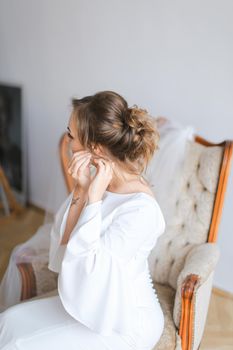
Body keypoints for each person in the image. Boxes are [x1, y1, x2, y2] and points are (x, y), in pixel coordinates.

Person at [0, 90, 167, 350]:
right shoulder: (97, 182)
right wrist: (81, 191)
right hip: (89, 300)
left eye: (71, 135)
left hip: (124, 319)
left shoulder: (141, 211)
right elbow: (65, 252)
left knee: (19, 344)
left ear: (95, 149)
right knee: (7, 323)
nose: (68, 142)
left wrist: (95, 199)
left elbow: (90, 271)